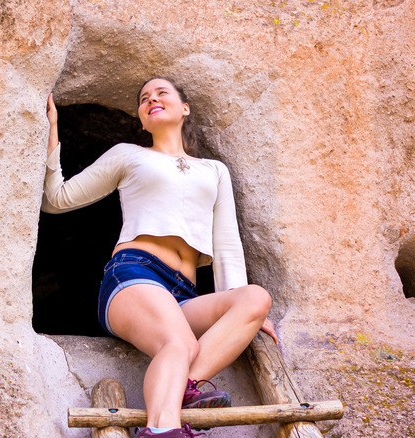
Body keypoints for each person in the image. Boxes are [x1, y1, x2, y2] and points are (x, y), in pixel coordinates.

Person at [42, 77, 277, 438]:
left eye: (161, 93)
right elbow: (57, 199)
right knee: (179, 344)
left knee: (256, 298)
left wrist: (243, 310)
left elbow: (227, 241)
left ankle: (183, 385)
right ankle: (162, 430)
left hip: (185, 293)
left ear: (184, 108)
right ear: (141, 119)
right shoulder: (128, 155)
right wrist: (52, 129)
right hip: (135, 275)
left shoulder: (214, 170)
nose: (151, 99)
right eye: (143, 98)